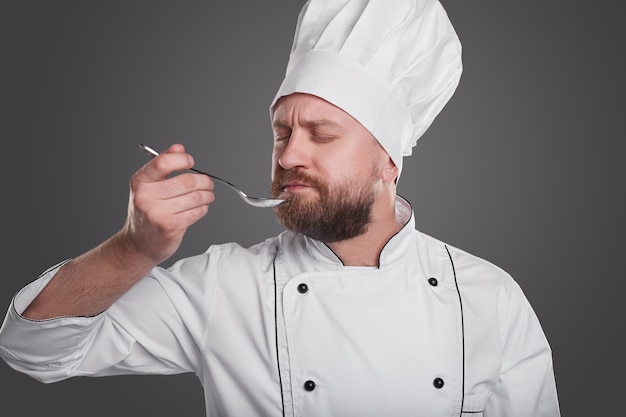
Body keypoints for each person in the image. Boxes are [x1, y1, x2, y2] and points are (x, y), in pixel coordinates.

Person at [0, 0, 560, 416]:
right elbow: (33, 347)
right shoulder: (224, 285)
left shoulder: (490, 299)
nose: (289, 154)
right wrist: (135, 247)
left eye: (321, 134)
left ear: (389, 162)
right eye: (282, 132)